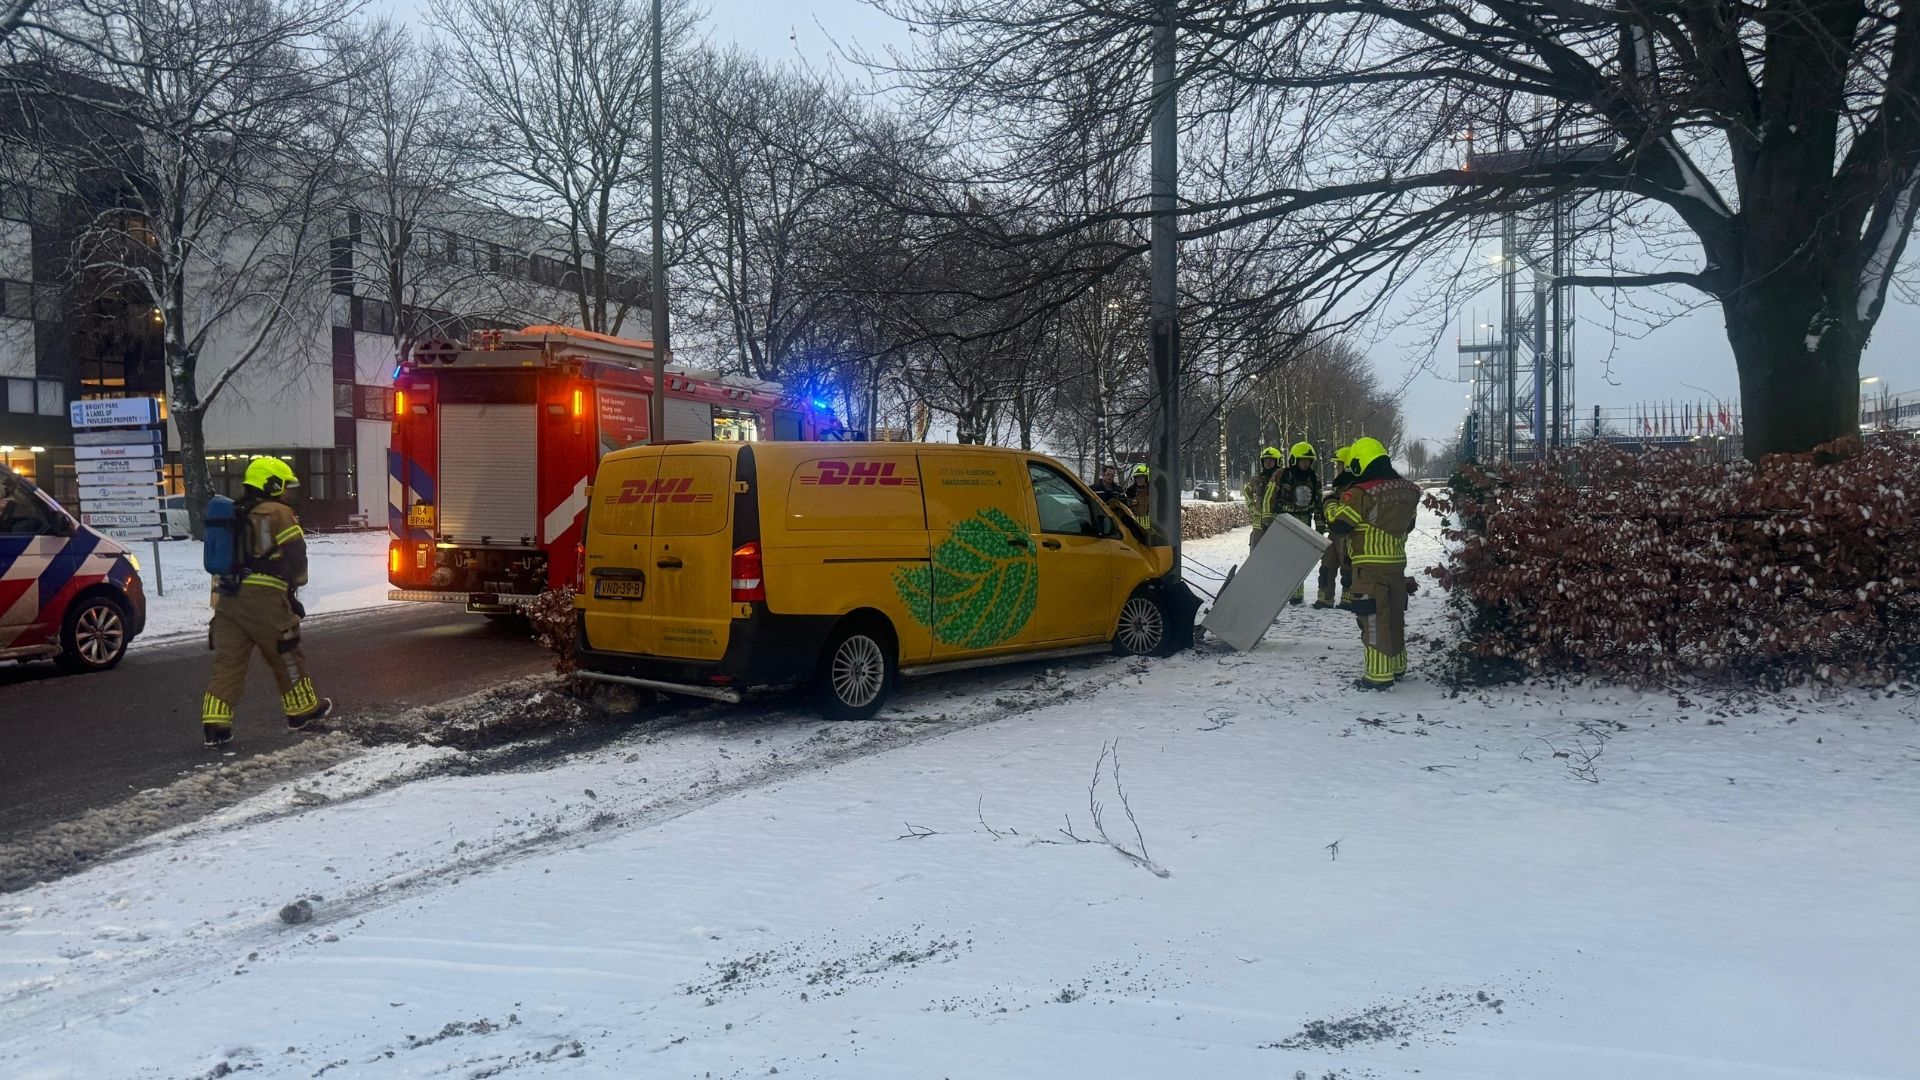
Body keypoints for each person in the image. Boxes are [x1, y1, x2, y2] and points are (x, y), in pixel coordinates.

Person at [201, 457, 332, 748]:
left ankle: (215, 724)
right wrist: (294, 587)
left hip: (228, 601)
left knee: (227, 663)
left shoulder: (234, 513)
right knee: (286, 652)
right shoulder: (279, 512)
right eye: (284, 486)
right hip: (263, 600)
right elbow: (296, 558)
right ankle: (302, 711)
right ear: (271, 485)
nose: (288, 493)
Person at [1325, 437, 1421, 689]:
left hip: (1368, 566)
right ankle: (1398, 666)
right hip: (1397, 564)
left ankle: (1378, 676)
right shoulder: (1410, 491)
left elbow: (1340, 524)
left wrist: (1330, 504)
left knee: (1373, 619)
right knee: (1394, 618)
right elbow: (1409, 525)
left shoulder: (1361, 493)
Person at [1271, 442, 1323, 604]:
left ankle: (1297, 595)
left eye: (1308, 460)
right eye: (1302, 460)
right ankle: (1283, 591)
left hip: (1305, 521)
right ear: (1294, 460)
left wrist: (1320, 527)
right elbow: (1271, 497)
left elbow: (1318, 502)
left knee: (1300, 559)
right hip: (1285, 521)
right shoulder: (1282, 475)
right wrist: (1269, 518)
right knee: (1285, 558)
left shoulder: (1314, 478)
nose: (1305, 463)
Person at [1313, 444, 1358, 608]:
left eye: (1338, 464)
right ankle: (1325, 597)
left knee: (1347, 567)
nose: (1336, 467)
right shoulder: (1340, 485)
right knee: (1326, 565)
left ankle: (1348, 599)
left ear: (1346, 465)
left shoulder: (1353, 486)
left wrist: (1331, 502)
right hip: (1333, 532)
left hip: (1347, 533)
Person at [1243, 446, 1283, 550]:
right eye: (1265, 461)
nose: (1268, 463)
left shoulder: (1282, 478)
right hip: (1258, 521)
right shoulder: (1257, 478)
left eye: (1271, 461)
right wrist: (1252, 506)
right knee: (1256, 547)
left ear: (1277, 461)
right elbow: (1247, 491)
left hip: (1276, 518)